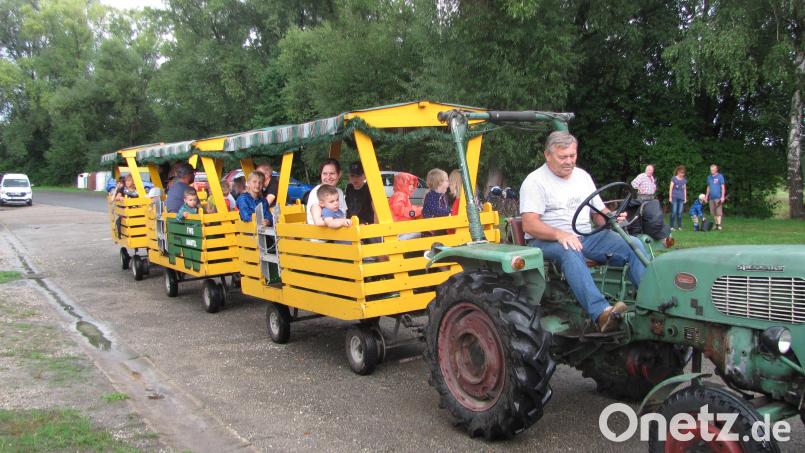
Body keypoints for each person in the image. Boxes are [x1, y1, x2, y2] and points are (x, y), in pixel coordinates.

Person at [521, 131, 648, 333]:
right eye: (563, 157)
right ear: (547, 155)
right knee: (569, 250)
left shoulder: (582, 177)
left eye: (573, 156)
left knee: (634, 244)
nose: (569, 161)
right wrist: (559, 235)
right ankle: (601, 313)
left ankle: (649, 304)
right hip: (544, 241)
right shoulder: (534, 181)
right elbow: (529, 225)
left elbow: (598, 213)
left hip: (584, 237)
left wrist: (611, 217)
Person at [306, 159, 346, 225]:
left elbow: (343, 215)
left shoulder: (339, 192)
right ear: (321, 175)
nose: (328, 177)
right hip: (319, 234)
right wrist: (340, 222)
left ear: (339, 174)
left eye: (332, 173)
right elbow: (317, 221)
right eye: (325, 174)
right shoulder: (317, 192)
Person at [705, 164, 726, 231]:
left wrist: (722, 197)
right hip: (711, 198)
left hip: (718, 197)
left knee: (718, 212)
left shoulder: (720, 176)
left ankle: (719, 225)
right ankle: (716, 225)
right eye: (711, 170)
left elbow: (723, 187)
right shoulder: (709, 177)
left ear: (716, 169)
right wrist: (706, 196)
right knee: (713, 213)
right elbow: (708, 187)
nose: (712, 171)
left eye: (713, 170)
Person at [668, 165, 687, 230]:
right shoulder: (674, 178)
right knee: (674, 212)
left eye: (683, 173)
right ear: (678, 172)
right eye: (681, 173)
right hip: (674, 197)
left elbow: (684, 189)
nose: (682, 174)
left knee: (679, 213)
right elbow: (670, 188)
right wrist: (670, 197)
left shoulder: (684, 180)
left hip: (681, 198)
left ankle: (679, 226)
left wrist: (685, 198)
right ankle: (671, 226)